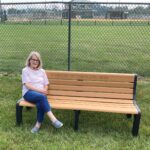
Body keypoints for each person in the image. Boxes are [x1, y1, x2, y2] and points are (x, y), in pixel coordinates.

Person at [22, 51, 63, 133]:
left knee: (40, 101)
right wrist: (41, 91)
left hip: (41, 95)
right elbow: (27, 85)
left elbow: (46, 83)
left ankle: (37, 125)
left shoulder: (42, 71)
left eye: (37, 60)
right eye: (33, 59)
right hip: (29, 93)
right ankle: (53, 119)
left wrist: (45, 90)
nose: (34, 61)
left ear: (39, 62)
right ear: (29, 60)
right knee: (41, 98)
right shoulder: (25, 70)